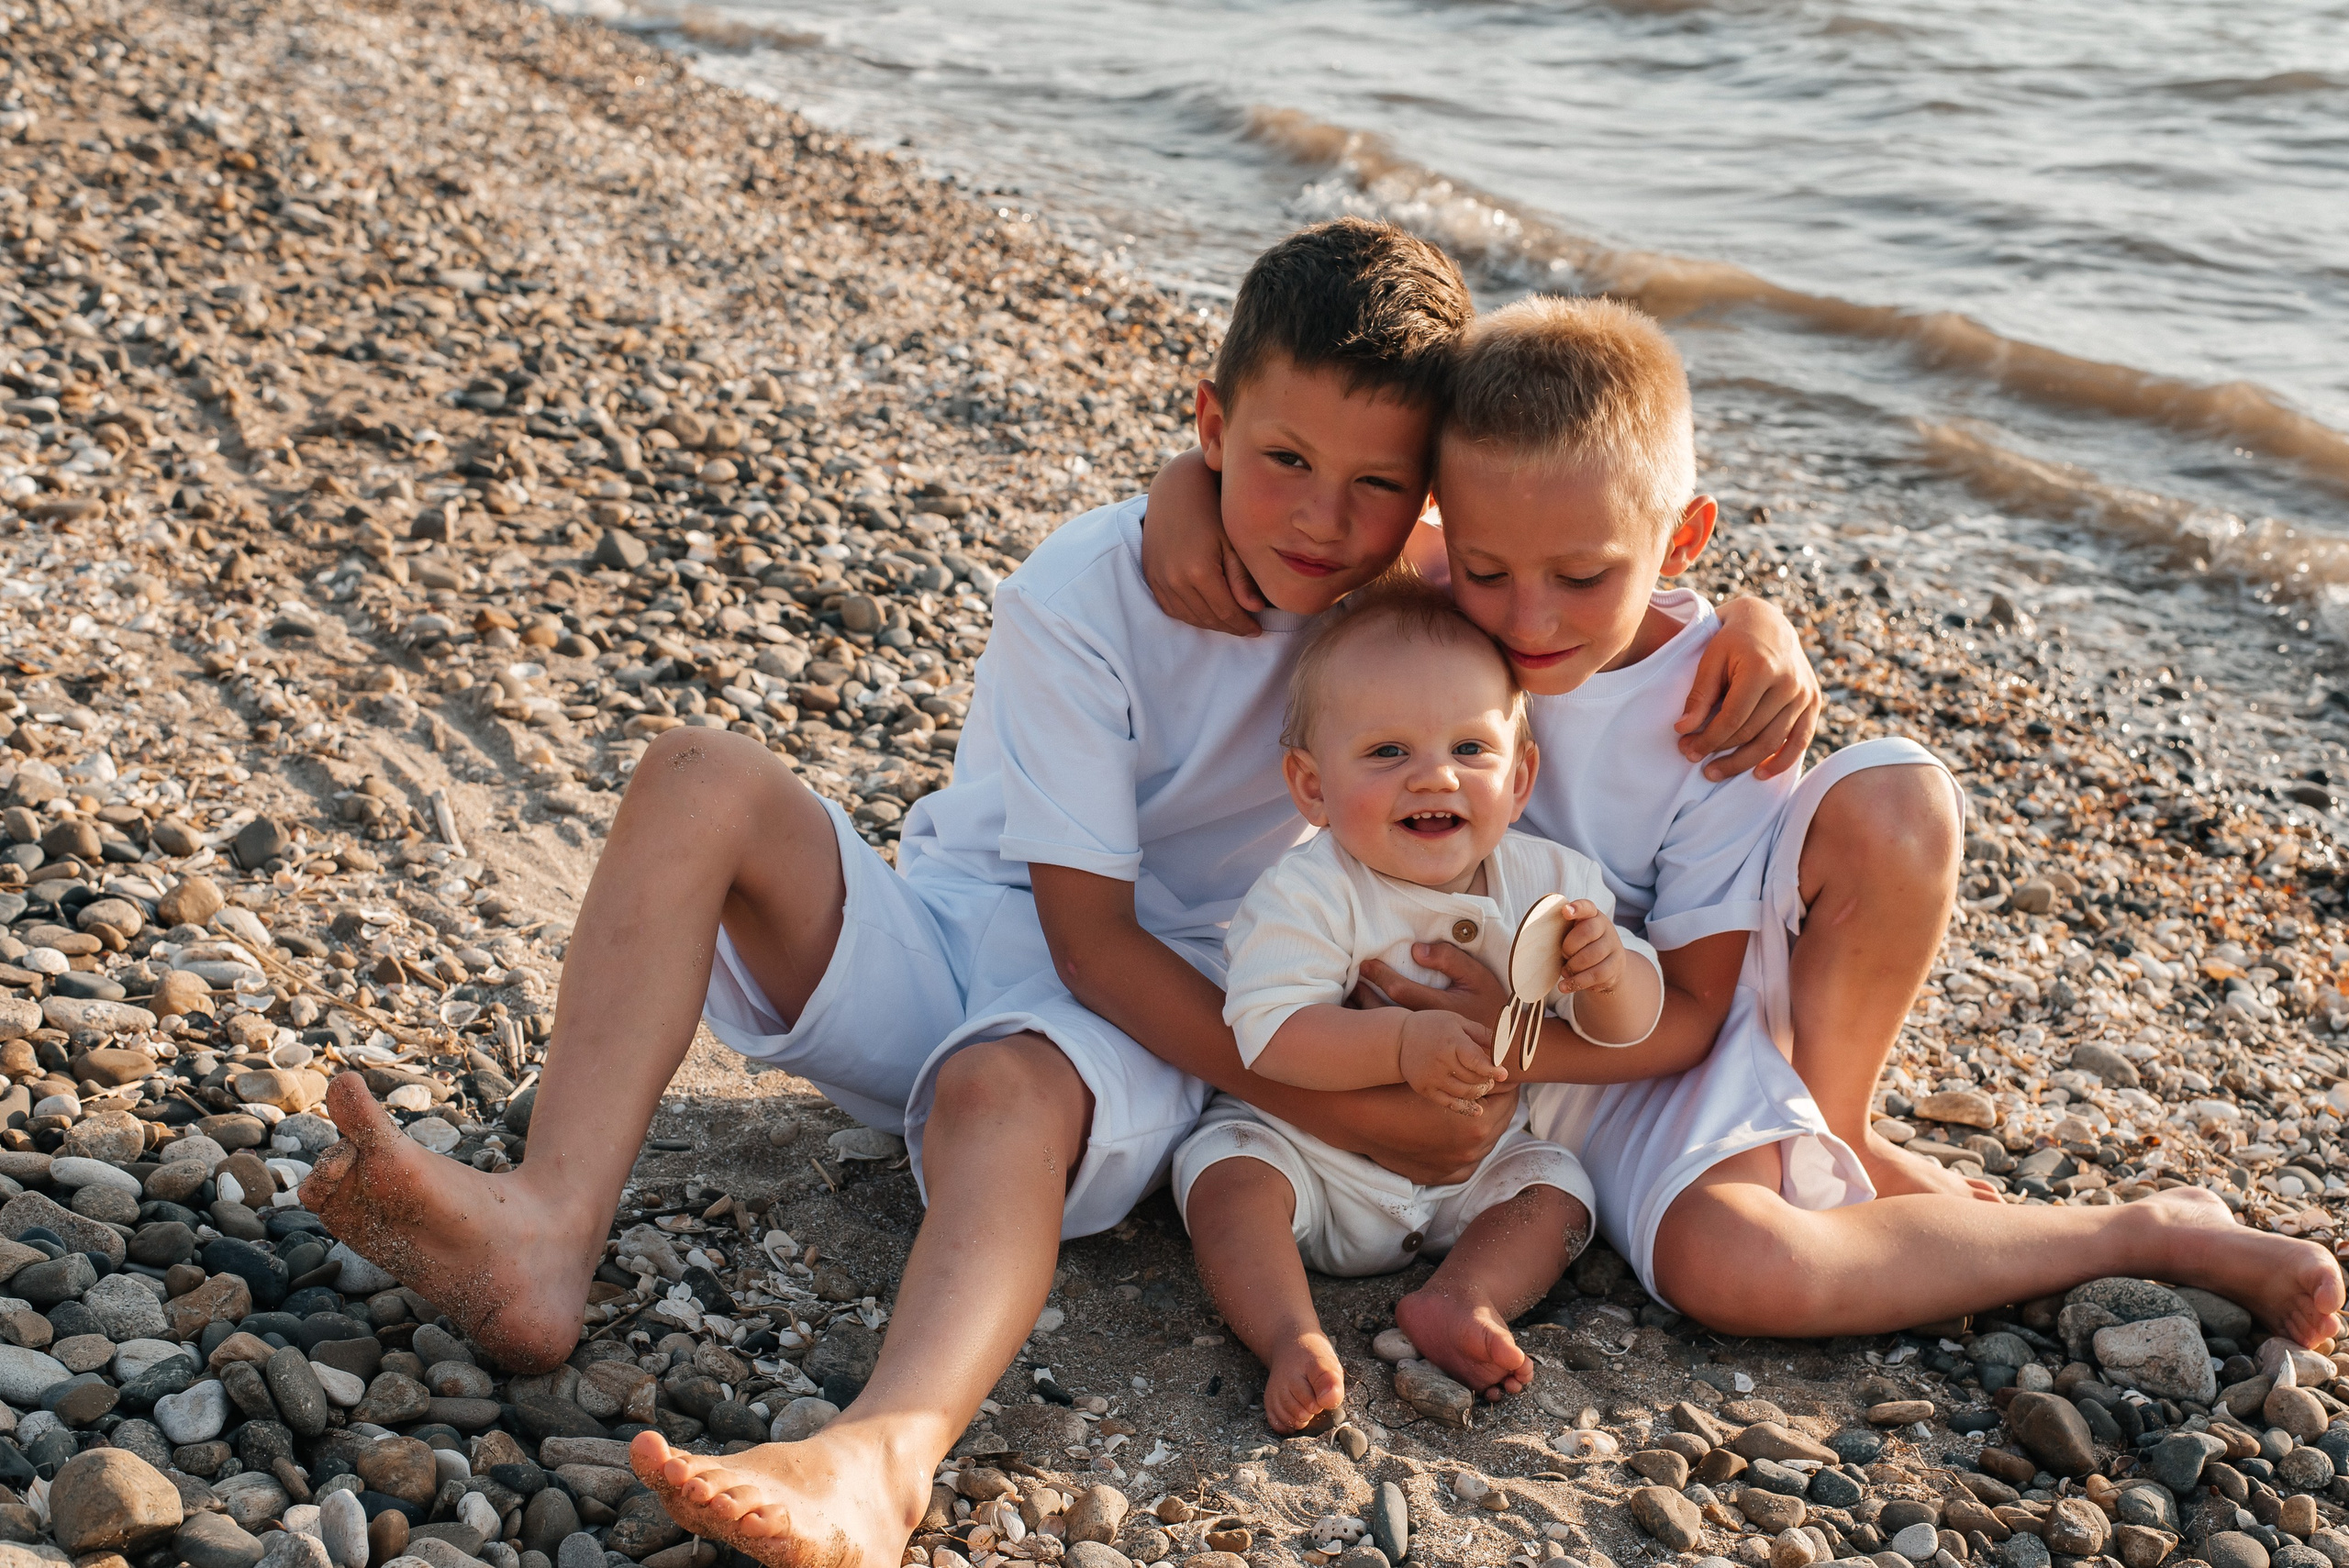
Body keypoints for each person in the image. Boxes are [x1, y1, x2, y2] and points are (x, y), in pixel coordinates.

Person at [299, 221, 1824, 1568]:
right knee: (699, 770)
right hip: (967, 927)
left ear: (1422, 507)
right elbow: (1066, 918)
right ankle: (546, 1225)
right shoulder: (1091, 583)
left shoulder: (1410, 593)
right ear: (1210, 423)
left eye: (1375, 488)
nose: (1318, 518)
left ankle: (884, 1452)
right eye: (1277, 460)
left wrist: (1748, 613)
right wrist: (1353, 1107)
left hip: (1160, 1006)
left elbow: (1587, 571)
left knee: (1009, 1089)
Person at [1141, 293, 2349, 1344]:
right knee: (1730, 1266)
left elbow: (1697, 1014)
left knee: (1895, 803)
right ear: (1449, 520)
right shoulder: (1428, 590)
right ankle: (2001, 1202)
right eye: (1490, 567)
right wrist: (1178, 489)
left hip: (1643, 1026)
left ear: (1679, 542)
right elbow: (1291, 517)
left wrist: (1752, 621)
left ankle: (1951, 1165)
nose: (1529, 616)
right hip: (1524, 1063)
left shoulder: (1715, 703)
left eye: (1584, 577)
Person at [1175, 576, 1664, 1433]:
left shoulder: (1552, 884)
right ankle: (1290, 1334)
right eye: (1387, 753)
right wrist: (1398, 1043)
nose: (1434, 774)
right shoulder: (1310, 891)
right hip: (1311, 1161)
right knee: (1227, 1175)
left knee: (1556, 1189)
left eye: (1470, 750)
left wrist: (1613, 973)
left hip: (1472, 1174)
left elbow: (1628, 1029)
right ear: (1312, 787)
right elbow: (1269, 1032)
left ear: (1520, 779)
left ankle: (1463, 1295)